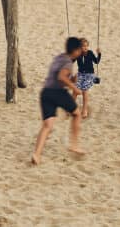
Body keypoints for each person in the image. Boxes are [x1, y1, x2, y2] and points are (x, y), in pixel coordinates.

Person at [31, 36, 86, 165]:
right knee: (77, 114)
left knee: (47, 126)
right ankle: (74, 145)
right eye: (80, 50)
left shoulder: (59, 57)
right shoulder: (68, 62)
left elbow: (59, 75)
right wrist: (75, 88)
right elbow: (61, 77)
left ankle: (36, 154)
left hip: (45, 93)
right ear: (76, 50)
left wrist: (72, 79)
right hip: (57, 92)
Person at [75, 38, 101, 119]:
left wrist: (99, 54)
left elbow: (96, 61)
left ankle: (84, 110)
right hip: (80, 74)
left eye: (86, 46)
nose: (85, 48)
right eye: (83, 46)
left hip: (90, 74)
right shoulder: (78, 54)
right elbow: (71, 60)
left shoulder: (90, 53)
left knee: (84, 90)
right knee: (75, 90)